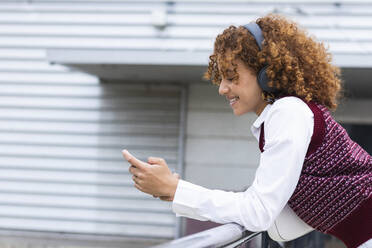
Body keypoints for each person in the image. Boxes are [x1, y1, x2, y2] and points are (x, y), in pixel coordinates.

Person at [122, 13, 372, 248]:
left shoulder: (288, 114)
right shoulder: (290, 113)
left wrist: (176, 190)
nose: (222, 88)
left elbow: (259, 212)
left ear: (267, 73)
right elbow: (277, 222)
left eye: (231, 77)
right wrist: (175, 191)